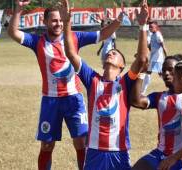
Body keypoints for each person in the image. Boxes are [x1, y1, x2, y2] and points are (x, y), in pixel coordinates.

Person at [8, 0, 122, 169]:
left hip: (73, 99)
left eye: (61, 20)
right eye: (54, 20)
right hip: (50, 101)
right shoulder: (37, 42)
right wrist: (18, 10)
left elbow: (102, 34)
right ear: (45, 21)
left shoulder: (75, 37)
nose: (58, 24)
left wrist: (118, 20)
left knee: (81, 143)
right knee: (47, 146)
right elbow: (13, 32)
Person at [60, 0, 149, 169]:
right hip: (94, 150)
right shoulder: (93, 79)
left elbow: (143, 59)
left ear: (122, 65)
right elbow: (71, 53)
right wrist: (67, 22)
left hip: (118, 151)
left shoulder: (125, 82)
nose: (110, 53)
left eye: (114, 53)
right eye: (109, 52)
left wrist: (143, 25)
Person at [131, 54, 182, 170]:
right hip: (160, 153)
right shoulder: (159, 97)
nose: (166, 73)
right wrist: (142, 72)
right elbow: (136, 101)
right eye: (164, 70)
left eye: (171, 70)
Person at [141, 20, 167, 94]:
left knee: (149, 73)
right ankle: (173, 85)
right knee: (159, 74)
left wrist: (167, 57)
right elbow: (151, 47)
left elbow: (163, 46)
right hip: (153, 58)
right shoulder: (152, 35)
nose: (150, 28)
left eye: (151, 27)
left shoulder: (158, 35)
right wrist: (148, 45)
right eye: (149, 27)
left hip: (157, 59)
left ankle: (142, 92)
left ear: (156, 27)